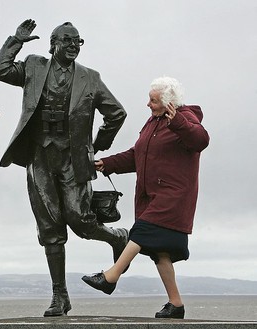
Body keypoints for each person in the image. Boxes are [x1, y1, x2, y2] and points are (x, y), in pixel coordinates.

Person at [0, 19, 128, 317]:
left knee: (81, 221)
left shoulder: (90, 78)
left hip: (71, 157)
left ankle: (117, 237)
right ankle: (59, 295)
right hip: (39, 155)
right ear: (53, 44)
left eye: (78, 41)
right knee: (49, 228)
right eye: (68, 41)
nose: (74, 46)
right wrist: (16, 40)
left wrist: (97, 145)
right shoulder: (34, 67)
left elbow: (116, 113)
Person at [82, 77, 210, 319]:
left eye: (153, 100)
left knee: (141, 231)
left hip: (174, 195)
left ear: (168, 102)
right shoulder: (153, 122)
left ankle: (111, 277)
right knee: (160, 253)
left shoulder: (186, 117)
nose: (148, 104)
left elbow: (200, 140)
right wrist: (107, 163)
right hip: (151, 195)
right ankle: (176, 305)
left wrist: (178, 121)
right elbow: (137, 155)